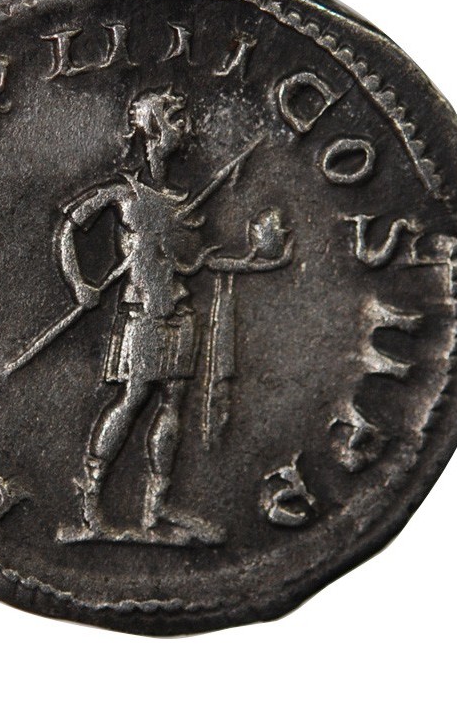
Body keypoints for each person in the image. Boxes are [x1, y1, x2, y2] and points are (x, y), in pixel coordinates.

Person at [56, 87, 292, 543]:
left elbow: (195, 262)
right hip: (144, 311)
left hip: (179, 311)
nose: (185, 129)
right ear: (153, 129)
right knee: (132, 399)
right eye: (175, 121)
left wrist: (256, 260)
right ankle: (91, 506)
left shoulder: (180, 200)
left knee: (172, 404)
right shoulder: (124, 193)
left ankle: (156, 509)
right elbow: (70, 226)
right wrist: (79, 284)